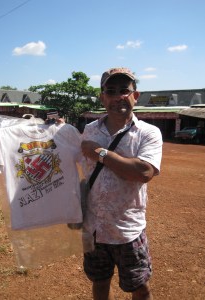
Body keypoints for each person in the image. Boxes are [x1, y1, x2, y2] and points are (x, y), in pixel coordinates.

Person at [81, 67, 163, 300]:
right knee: (99, 281)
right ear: (102, 97)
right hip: (94, 228)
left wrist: (99, 153)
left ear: (135, 96)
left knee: (139, 286)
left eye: (124, 91)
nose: (118, 97)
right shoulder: (89, 130)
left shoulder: (149, 133)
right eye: (111, 91)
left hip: (127, 230)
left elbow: (144, 171)